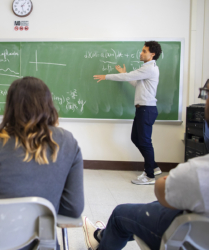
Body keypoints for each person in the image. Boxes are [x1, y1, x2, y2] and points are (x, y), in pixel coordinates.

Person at [83, 85, 209, 250]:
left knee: (121, 214)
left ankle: (150, 173)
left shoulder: (199, 170)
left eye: (206, 95)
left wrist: (107, 78)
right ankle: (101, 235)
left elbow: (163, 191)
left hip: (184, 233)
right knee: (139, 140)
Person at [0, 76, 84, 250]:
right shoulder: (68, 142)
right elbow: (73, 208)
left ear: (10, 107)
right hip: (41, 244)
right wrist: (44, 201)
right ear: (48, 104)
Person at [94, 41, 162, 185]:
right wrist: (125, 74)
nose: (141, 53)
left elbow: (127, 77)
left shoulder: (150, 68)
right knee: (136, 138)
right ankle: (154, 166)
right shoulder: (147, 69)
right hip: (142, 109)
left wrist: (106, 76)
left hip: (146, 109)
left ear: (152, 54)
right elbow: (136, 83)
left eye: (144, 51)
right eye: (142, 50)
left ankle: (149, 176)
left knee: (144, 142)